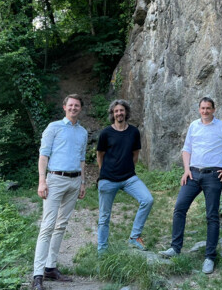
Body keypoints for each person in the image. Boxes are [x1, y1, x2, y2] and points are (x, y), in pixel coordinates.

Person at [159, 97, 222, 273]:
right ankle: (175, 248)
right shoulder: (194, 126)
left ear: (214, 109)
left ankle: (210, 257)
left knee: (212, 216)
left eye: (208, 108)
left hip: (213, 175)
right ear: (199, 109)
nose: (205, 111)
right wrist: (186, 169)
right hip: (193, 174)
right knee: (179, 208)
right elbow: (187, 149)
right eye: (202, 108)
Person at [32, 94, 88, 290]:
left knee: (61, 225)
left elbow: (82, 159)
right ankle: (37, 275)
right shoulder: (53, 127)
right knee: (47, 225)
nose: (74, 108)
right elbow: (43, 155)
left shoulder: (82, 132)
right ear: (64, 107)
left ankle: (50, 267)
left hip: (74, 181)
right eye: (70, 105)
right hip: (55, 179)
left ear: (80, 108)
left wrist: (82, 182)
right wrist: (42, 181)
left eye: (77, 106)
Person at [97, 99, 154, 253]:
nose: (119, 113)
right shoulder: (106, 133)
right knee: (104, 218)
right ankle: (102, 250)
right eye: (116, 111)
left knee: (147, 200)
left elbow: (135, 154)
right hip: (108, 179)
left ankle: (134, 237)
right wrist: (104, 173)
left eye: (121, 110)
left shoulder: (134, 132)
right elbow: (100, 155)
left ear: (126, 112)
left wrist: (127, 169)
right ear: (112, 114)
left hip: (129, 178)